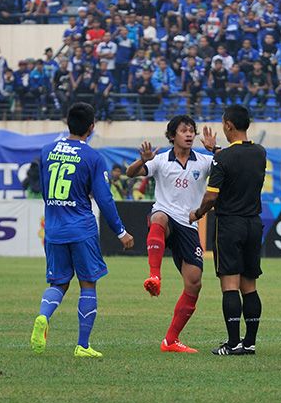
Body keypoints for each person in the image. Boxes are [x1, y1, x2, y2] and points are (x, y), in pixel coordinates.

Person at [29, 103, 134, 359]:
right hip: (81, 228)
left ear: (68, 123)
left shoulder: (47, 151)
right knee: (87, 284)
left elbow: (44, 189)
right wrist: (121, 231)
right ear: (92, 127)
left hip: (54, 228)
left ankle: (43, 316)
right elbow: (104, 199)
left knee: (58, 282)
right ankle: (82, 345)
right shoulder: (92, 157)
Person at [125, 115, 213, 353]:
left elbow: (229, 165)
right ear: (172, 136)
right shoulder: (161, 160)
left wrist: (215, 150)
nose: (189, 134)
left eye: (192, 131)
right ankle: (155, 276)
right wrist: (142, 160)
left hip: (189, 225)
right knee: (159, 217)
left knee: (194, 283)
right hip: (166, 217)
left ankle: (170, 340)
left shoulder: (204, 161)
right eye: (184, 130)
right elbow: (131, 173)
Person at [189, 105, 266, 356]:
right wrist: (215, 150)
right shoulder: (260, 153)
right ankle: (249, 343)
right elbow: (238, 157)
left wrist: (197, 214)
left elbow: (211, 197)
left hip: (230, 224)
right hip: (253, 224)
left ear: (228, 125)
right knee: (250, 286)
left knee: (230, 285)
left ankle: (233, 343)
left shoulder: (222, 160)